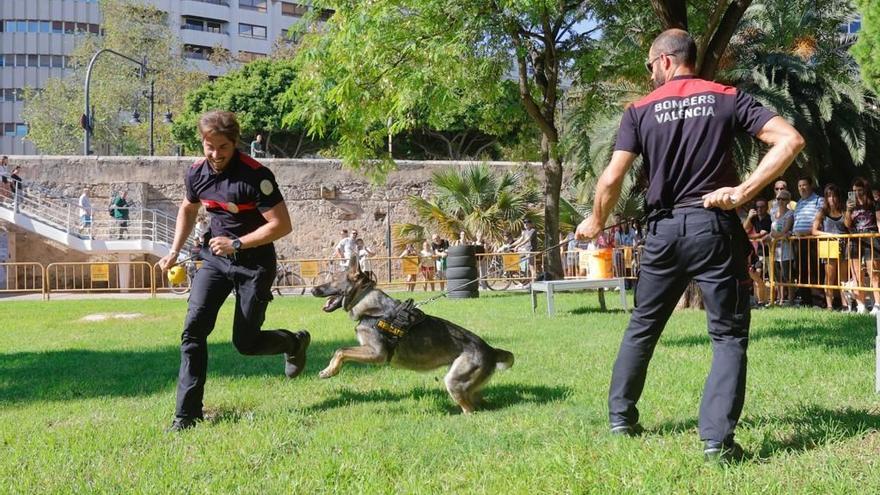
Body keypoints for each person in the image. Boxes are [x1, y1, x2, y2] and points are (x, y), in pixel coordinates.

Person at [574, 29, 804, 463]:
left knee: (643, 325)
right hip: (712, 228)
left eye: (648, 66)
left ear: (664, 61)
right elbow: (789, 139)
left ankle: (621, 418)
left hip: (662, 233)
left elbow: (611, 178)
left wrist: (596, 220)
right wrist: (742, 191)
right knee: (728, 336)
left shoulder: (639, 110)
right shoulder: (726, 96)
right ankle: (716, 443)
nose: (649, 74)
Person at [157, 110, 308, 432]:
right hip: (214, 260)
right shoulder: (196, 173)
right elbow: (188, 207)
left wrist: (238, 243)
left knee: (246, 343)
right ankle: (187, 415)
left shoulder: (256, 175)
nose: (215, 154)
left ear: (235, 143)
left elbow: (281, 225)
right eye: (208, 146)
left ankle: (293, 343)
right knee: (193, 331)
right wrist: (174, 251)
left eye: (222, 147)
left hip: (254, 263)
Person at [844, 177, 880, 315]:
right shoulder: (850, 205)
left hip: (871, 239)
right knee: (856, 275)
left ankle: (877, 305)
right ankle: (861, 305)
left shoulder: (874, 203)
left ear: (865, 189)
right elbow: (847, 225)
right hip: (854, 239)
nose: (857, 193)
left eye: (860, 189)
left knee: (874, 274)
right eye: (854, 190)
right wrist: (848, 210)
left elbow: (878, 222)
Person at [812, 184, 848, 311]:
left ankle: (845, 305)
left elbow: (848, 225)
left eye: (834, 196)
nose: (832, 199)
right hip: (828, 245)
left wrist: (849, 211)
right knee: (829, 276)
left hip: (844, 244)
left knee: (843, 277)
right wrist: (830, 235)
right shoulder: (822, 212)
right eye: (829, 196)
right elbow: (814, 231)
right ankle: (829, 305)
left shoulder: (844, 210)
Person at [792, 177, 824, 306]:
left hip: (812, 241)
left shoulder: (819, 200)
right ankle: (806, 301)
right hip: (798, 242)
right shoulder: (799, 202)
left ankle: (818, 301)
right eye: (799, 186)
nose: (801, 188)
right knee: (801, 270)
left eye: (804, 185)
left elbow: (821, 221)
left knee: (815, 270)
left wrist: (807, 232)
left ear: (811, 186)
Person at [743, 200, 772, 307]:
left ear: (766, 207)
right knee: (758, 276)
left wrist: (753, 237)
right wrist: (749, 217)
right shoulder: (754, 218)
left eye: (762, 207)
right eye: (757, 207)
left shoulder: (769, 218)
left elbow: (766, 235)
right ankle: (759, 300)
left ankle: (774, 299)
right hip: (759, 252)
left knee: (773, 277)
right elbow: (744, 230)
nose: (759, 209)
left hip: (772, 251)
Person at [770, 190, 795, 305]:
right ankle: (780, 299)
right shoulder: (773, 213)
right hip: (775, 249)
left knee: (787, 274)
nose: (780, 201)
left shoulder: (790, 214)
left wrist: (778, 235)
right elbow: (772, 233)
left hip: (786, 249)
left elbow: (786, 229)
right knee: (777, 275)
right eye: (778, 199)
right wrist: (780, 235)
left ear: (788, 201)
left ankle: (790, 299)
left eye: (783, 199)